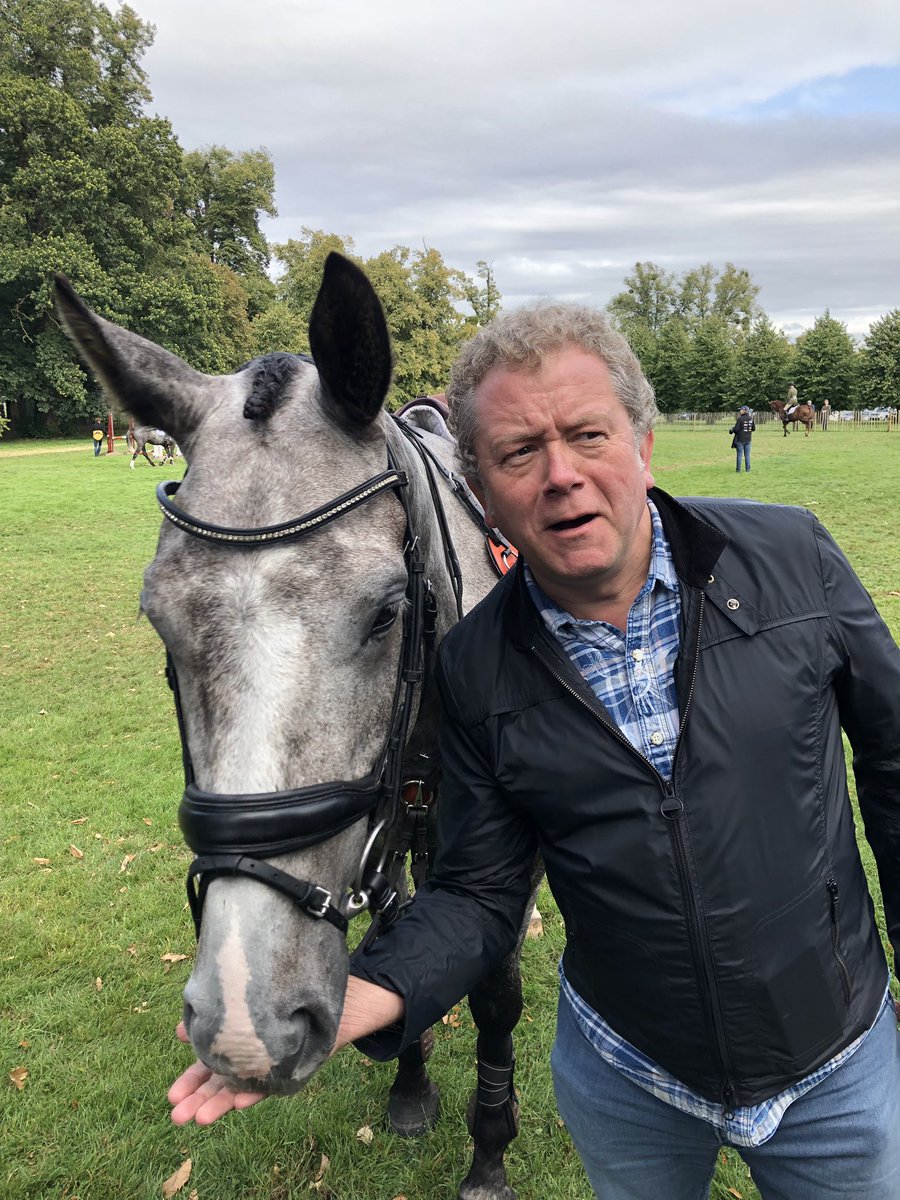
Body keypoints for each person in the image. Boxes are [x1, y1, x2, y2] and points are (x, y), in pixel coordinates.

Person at [167, 305, 900, 1199]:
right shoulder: (474, 667)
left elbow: (896, 765)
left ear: (643, 443)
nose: (561, 476)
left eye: (588, 434)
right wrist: (375, 990)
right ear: (479, 482)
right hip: (629, 1084)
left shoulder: (795, 559)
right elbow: (480, 889)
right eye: (518, 453)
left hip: (839, 1069)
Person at [728, 405, 755, 472]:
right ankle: (748, 469)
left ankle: (738, 469)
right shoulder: (751, 418)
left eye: (741, 410)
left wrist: (732, 430)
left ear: (744, 410)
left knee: (739, 455)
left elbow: (736, 429)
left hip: (740, 439)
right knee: (747, 455)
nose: (740, 411)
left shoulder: (740, 419)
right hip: (748, 439)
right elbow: (753, 429)